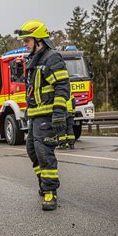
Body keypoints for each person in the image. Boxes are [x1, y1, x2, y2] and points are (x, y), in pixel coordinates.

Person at [15, 20, 70, 211]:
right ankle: (43, 182)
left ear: (38, 39)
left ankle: (50, 192)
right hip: (35, 116)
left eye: (27, 40)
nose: (24, 44)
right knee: (32, 151)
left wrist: (58, 114)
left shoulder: (52, 58)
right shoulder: (34, 59)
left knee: (44, 153)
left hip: (47, 116)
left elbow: (62, 87)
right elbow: (32, 88)